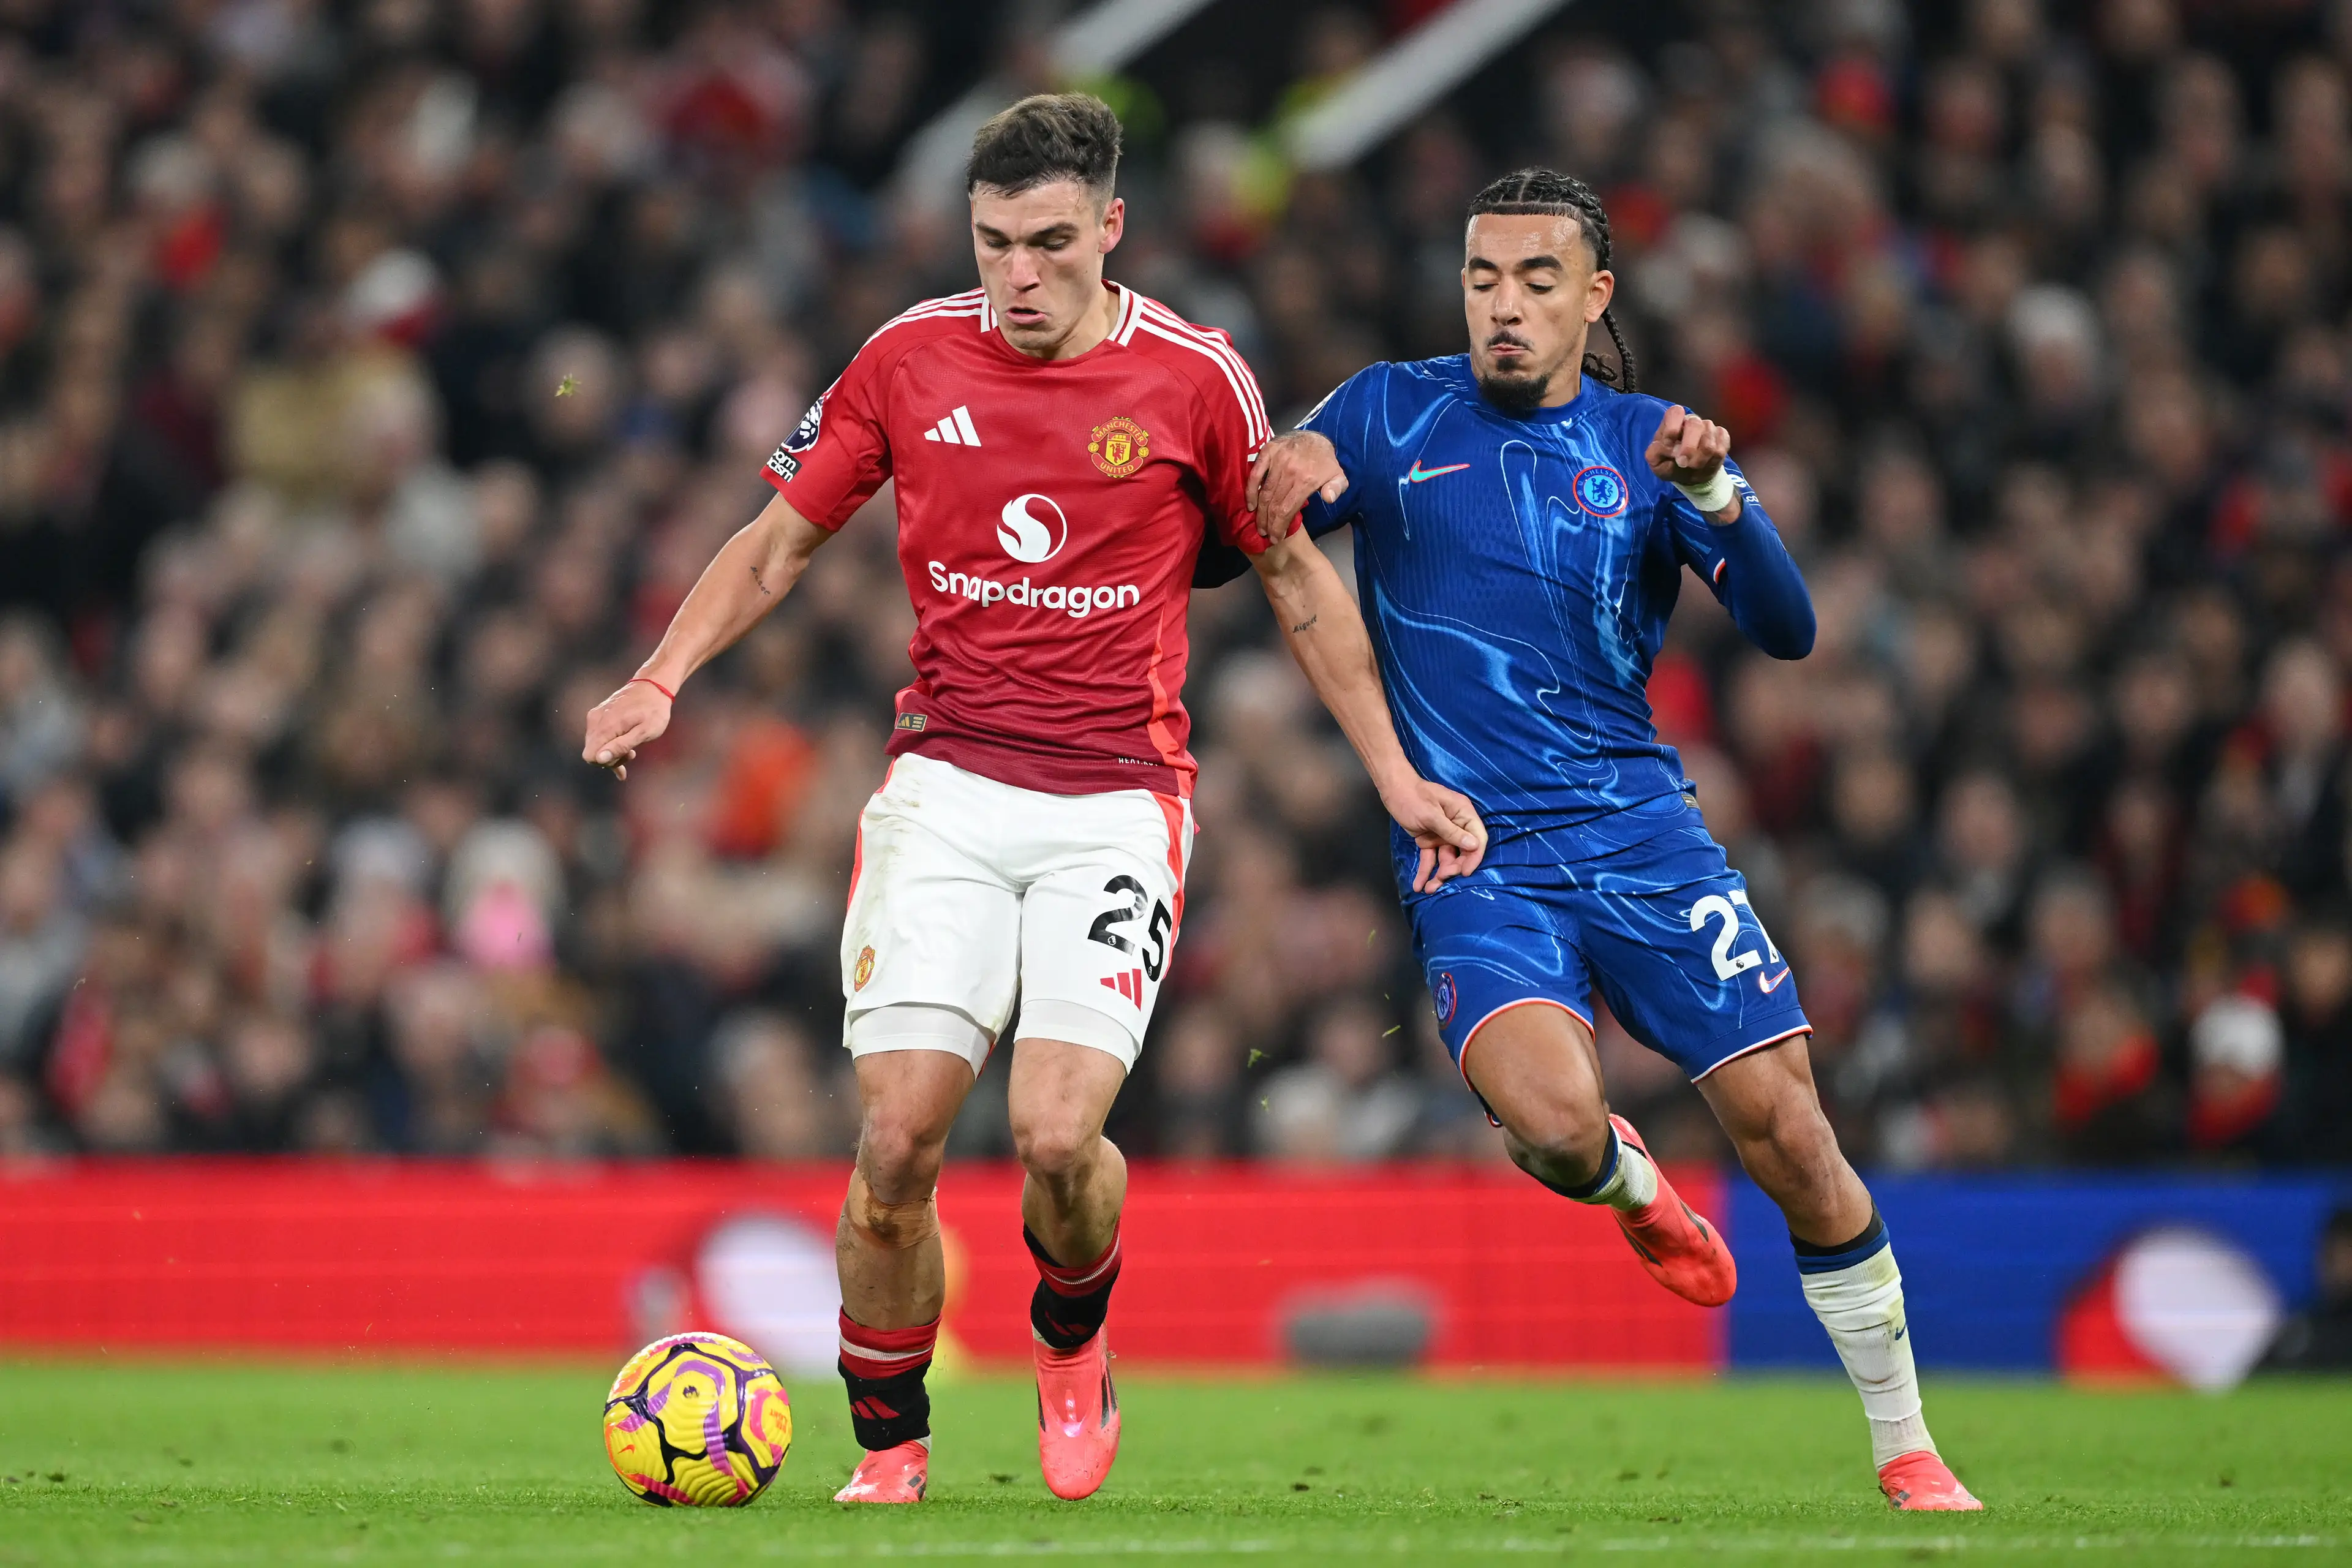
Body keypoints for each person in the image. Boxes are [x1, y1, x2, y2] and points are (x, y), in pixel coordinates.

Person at [581, 94, 1483, 1506]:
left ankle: (1075, 1342)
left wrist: (1394, 774)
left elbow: (1303, 587)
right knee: (895, 1143)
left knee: (1059, 1136)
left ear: (1110, 228)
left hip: (1117, 801)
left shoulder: (1196, 379)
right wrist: (662, 677)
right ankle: (891, 1442)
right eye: (996, 241)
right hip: (944, 788)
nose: (1021, 274)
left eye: (1052, 242)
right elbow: (775, 547)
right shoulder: (905, 360)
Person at [1241, 168, 1980, 1512]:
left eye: (1535, 281)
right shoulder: (1385, 411)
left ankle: (1905, 1439)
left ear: (1596, 296)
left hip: (1642, 835)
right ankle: (1631, 1182)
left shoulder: (1650, 439)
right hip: (1479, 851)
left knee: (1791, 1130)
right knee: (1555, 1118)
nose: (1504, 307)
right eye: (1482, 279)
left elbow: (1787, 628)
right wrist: (1276, 483)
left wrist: (1713, 500)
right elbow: (1244, 556)